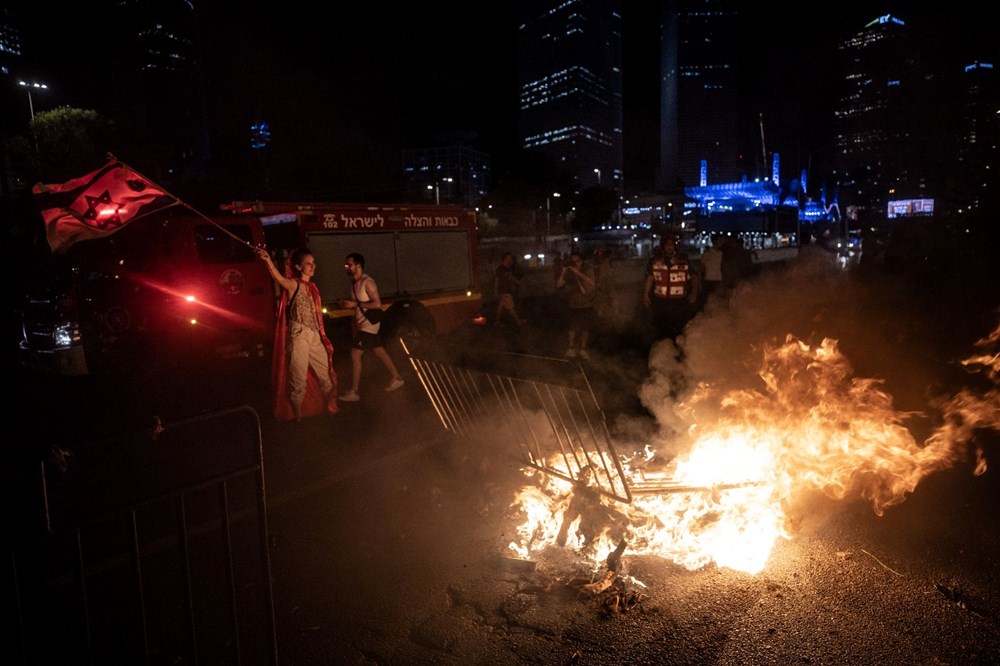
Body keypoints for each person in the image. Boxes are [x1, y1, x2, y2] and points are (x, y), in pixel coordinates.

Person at [256, 246, 338, 421]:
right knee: (298, 377)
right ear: (299, 267)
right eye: (308, 263)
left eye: (313, 263)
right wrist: (268, 260)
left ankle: (330, 407)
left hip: (314, 335)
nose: (312, 266)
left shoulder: (313, 287)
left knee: (325, 373)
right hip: (299, 334)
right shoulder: (294, 284)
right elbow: (278, 278)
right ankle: (298, 417)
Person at [337, 252, 404, 402]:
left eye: (349, 265)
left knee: (355, 354)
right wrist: (348, 304)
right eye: (346, 265)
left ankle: (354, 391)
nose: (346, 267)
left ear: (358, 266)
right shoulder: (354, 283)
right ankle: (397, 377)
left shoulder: (368, 282)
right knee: (379, 351)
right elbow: (358, 304)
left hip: (370, 324)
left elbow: (377, 304)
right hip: (364, 323)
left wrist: (356, 304)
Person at [641, 234, 700, 341]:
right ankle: (663, 349)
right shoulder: (655, 260)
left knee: (678, 328)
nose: (669, 247)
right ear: (663, 246)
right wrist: (645, 295)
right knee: (661, 327)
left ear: (675, 246)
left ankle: (677, 350)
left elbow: (694, 278)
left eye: (671, 245)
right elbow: (650, 278)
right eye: (666, 245)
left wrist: (694, 293)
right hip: (660, 300)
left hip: (679, 301)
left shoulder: (684, 260)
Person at [556, 250, 597, 359]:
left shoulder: (587, 268)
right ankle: (571, 348)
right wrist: (564, 271)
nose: (575, 262)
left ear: (580, 260)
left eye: (577, 260)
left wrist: (577, 272)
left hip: (586, 303)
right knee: (572, 327)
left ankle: (583, 349)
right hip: (573, 303)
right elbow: (559, 284)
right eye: (573, 260)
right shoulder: (569, 272)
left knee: (585, 328)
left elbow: (592, 282)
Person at [494, 251, 526, 326]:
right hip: (504, 291)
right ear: (505, 259)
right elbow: (496, 280)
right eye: (509, 258)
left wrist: (518, 283)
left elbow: (511, 278)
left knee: (501, 306)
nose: (511, 260)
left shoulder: (507, 269)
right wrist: (495, 290)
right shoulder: (500, 269)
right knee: (511, 308)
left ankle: (497, 321)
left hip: (504, 291)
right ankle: (517, 321)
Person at [700, 234, 725, 301]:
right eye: (720, 241)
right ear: (715, 241)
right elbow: (702, 268)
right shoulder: (707, 254)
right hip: (709, 280)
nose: (721, 243)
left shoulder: (721, 254)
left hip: (718, 279)